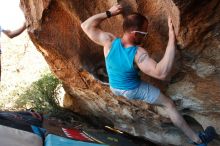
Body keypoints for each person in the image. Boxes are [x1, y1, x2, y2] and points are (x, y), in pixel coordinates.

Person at [81, 4, 216, 146]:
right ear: (134, 33)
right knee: (169, 104)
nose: (146, 35)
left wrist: (109, 13)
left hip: (114, 86)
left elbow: (86, 25)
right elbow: (162, 73)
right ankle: (199, 140)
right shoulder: (138, 55)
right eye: (145, 33)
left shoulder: (108, 40)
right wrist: (171, 39)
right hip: (131, 89)